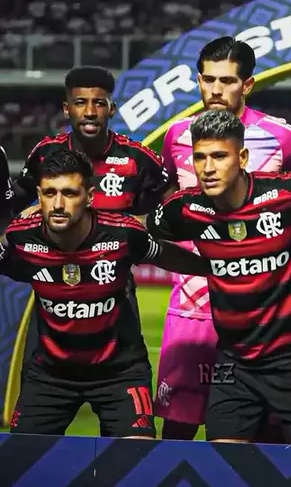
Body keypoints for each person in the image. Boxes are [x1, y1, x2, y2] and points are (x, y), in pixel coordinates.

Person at [146, 110, 291, 444]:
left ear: (242, 157)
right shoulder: (183, 209)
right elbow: (142, 235)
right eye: (200, 157)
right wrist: (202, 266)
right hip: (235, 362)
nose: (208, 168)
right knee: (221, 462)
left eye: (219, 156)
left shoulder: (290, 191)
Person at [156, 36, 291, 441]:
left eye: (227, 81)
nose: (216, 90)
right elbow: (166, 205)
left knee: (265, 437)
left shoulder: (281, 137)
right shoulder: (177, 135)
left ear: (247, 84)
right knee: (177, 430)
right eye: (208, 79)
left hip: (261, 316)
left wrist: (277, 229)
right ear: (198, 80)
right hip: (192, 307)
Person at [4, 65, 174, 424]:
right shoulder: (46, 152)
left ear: (111, 108)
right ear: (67, 109)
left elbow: (172, 211)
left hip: (112, 284)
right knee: (32, 416)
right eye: (81, 102)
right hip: (52, 286)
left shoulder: (137, 158)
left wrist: (135, 226)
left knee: (123, 375)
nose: (90, 111)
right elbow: (17, 202)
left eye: (99, 103)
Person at [1, 149, 209, 437]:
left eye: (69, 193)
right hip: (50, 375)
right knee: (20, 456)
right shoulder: (20, 238)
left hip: (119, 373)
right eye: (50, 193)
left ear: (89, 196)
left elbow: (164, 255)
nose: (58, 204)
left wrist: (216, 268)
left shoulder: (123, 233)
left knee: (138, 455)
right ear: (39, 195)